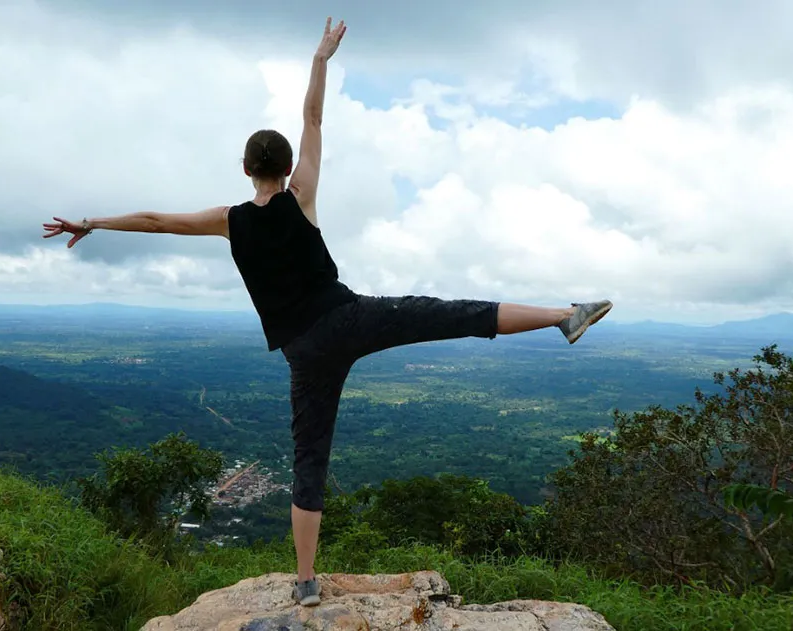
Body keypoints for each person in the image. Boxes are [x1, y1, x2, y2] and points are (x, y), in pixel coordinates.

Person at [42, 16, 612, 607]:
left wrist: (91, 221)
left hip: (306, 354)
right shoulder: (302, 194)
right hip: (351, 319)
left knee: (308, 459)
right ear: (285, 169)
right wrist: (320, 60)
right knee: (451, 313)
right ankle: (562, 316)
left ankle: (308, 583)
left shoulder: (229, 220)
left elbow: (156, 221)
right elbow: (313, 119)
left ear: (245, 170)